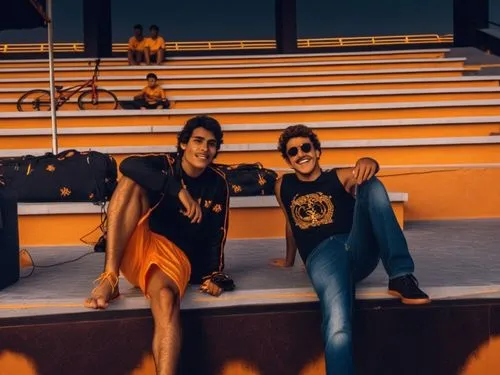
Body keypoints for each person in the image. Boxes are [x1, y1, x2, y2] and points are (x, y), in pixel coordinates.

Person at [271, 124, 430, 375]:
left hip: (357, 245)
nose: (301, 153)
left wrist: (370, 162)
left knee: (371, 183)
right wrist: (289, 260)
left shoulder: (338, 176)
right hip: (322, 257)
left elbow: (363, 170)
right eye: (293, 151)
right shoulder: (283, 185)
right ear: (288, 160)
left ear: (317, 151)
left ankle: (400, 275)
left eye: (306, 147)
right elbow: (290, 222)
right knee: (337, 325)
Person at [84, 115, 234, 375]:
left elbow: (216, 235)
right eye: (197, 141)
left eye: (211, 144)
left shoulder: (218, 183)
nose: (204, 149)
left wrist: (215, 275)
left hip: (174, 257)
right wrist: (178, 190)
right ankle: (109, 278)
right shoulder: (166, 165)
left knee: (166, 298)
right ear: (184, 144)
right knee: (131, 181)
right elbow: (128, 165)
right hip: (138, 244)